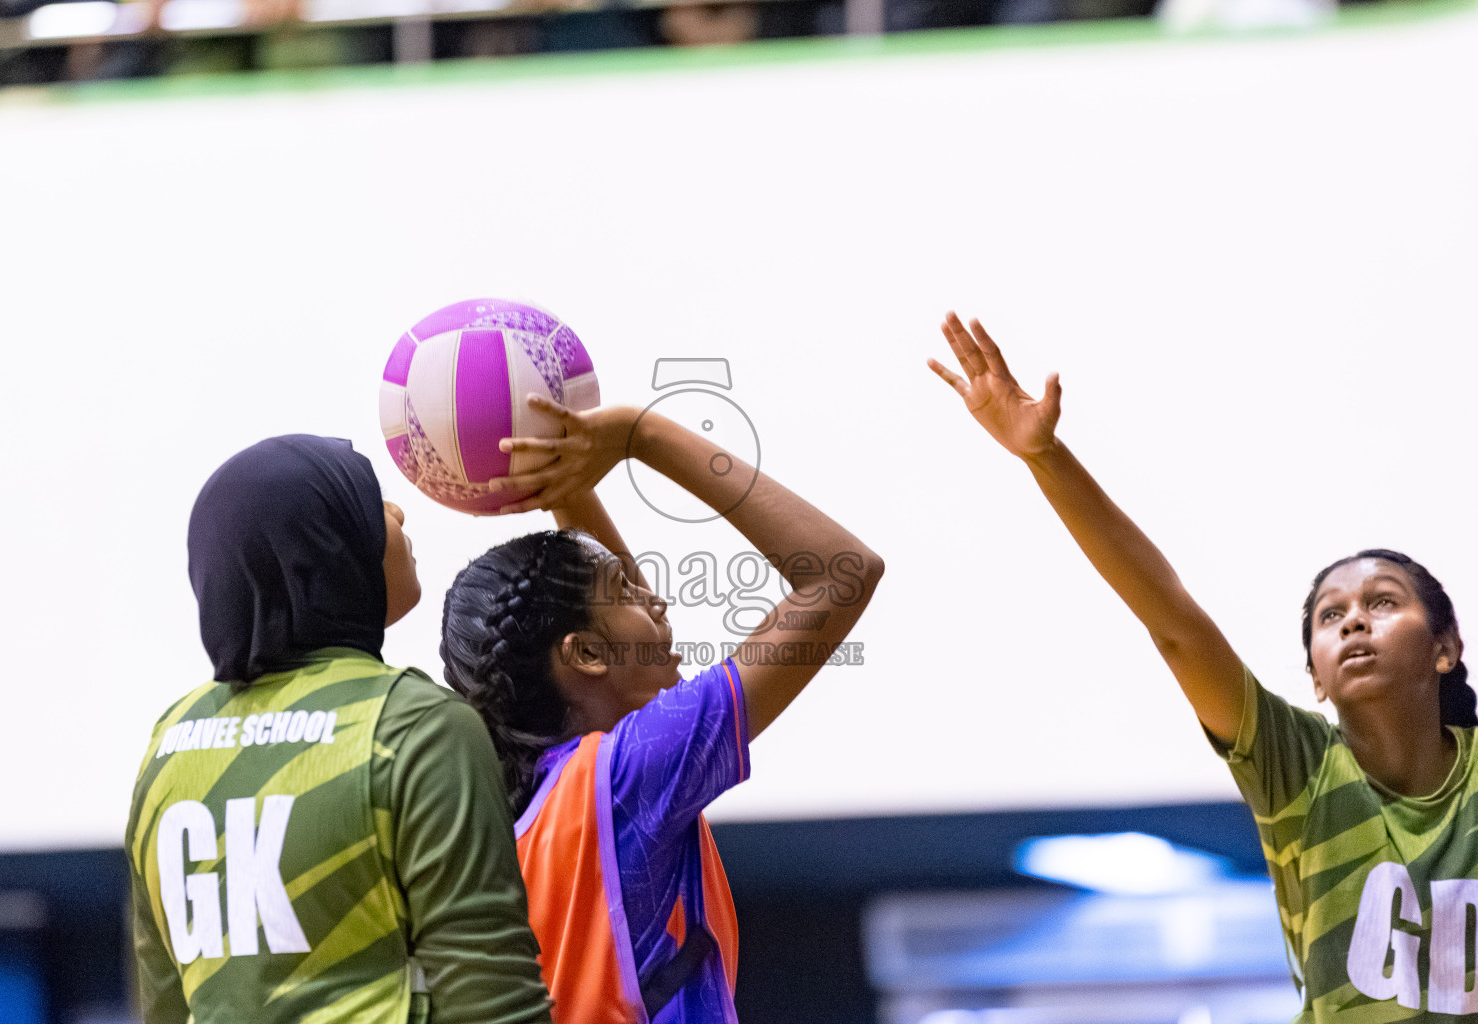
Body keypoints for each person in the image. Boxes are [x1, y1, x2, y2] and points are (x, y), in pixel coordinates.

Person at [927, 313, 1478, 1021]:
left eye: (1382, 603)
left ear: (1445, 647)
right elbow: (1174, 627)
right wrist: (1045, 457)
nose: (1355, 623)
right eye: (1330, 617)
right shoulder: (1299, 766)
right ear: (1315, 675)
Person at [440, 396, 884, 1023]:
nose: (659, 605)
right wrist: (639, 434)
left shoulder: (527, 810)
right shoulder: (624, 777)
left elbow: (608, 629)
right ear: (586, 653)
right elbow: (842, 574)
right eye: (627, 592)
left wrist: (568, 488)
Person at [124, 434, 554, 1024]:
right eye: (372, 500)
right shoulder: (417, 725)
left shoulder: (171, 738)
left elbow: (164, 1005)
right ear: (326, 548)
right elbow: (494, 1000)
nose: (399, 513)